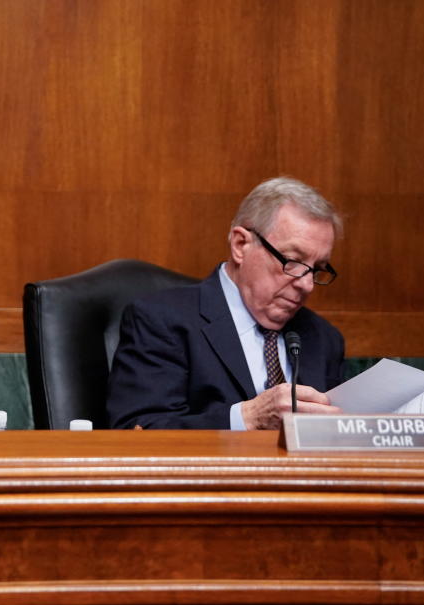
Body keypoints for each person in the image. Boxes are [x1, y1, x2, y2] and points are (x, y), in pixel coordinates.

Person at [106, 177, 345, 430]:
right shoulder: (162, 321)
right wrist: (245, 419)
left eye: (317, 269)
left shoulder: (324, 338)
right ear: (240, 245)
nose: (306, 285)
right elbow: (138, 429)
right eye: (293, 261)